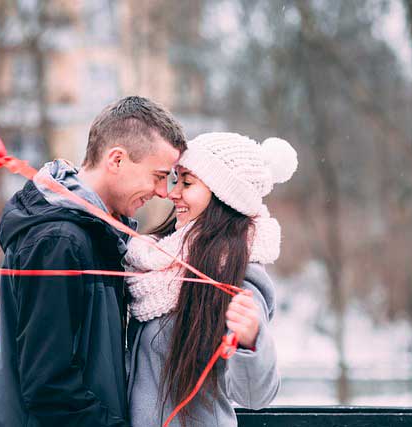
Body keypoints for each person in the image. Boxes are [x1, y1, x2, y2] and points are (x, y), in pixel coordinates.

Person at [0, 96, 187, 427]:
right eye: (158, 176)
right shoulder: (59, 241)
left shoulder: (98, 235)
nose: (163, 191)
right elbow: (49, 386)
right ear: (116, 160)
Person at [125, 132, 298, 427]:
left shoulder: (237, 276)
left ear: (223, 195)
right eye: (176, 180)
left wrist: (250, 341)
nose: (173, 193)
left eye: (187, 183)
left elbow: (255, 396)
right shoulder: (153, 264)